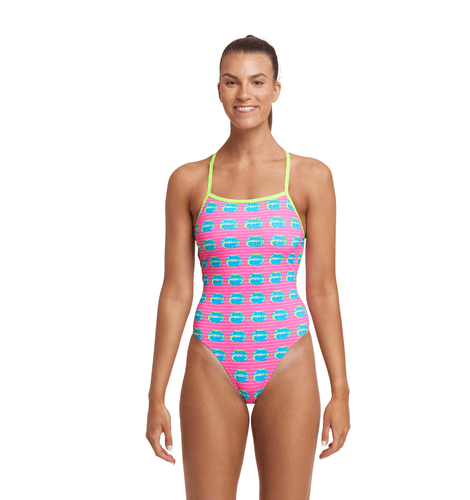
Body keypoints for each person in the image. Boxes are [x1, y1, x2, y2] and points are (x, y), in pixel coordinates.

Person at [146, 35, 350, 499]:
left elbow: (323, 289)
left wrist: (341, 390)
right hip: (212, 356)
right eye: (232, 82)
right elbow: (175, 292)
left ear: (276, 89)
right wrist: (155, 395)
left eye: (257, 82)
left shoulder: (310, 178)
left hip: (287, 354)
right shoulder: (188, 181)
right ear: (218, 89)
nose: (244, 94)